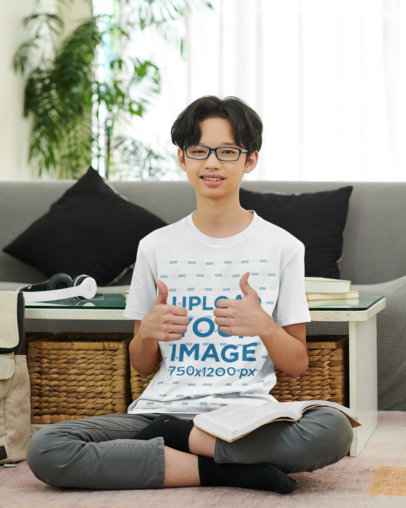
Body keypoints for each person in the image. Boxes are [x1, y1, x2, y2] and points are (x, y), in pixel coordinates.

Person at [27, 96, 353, 493]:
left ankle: (182, 447)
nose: (211, 163)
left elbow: (297, 362)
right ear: (182, 159)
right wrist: (146, 332)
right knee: (48, 447)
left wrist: (264, 326)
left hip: (245, 417)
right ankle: (225, 470)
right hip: (158, 414)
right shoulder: (155, 247)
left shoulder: (283, 247)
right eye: (198, 151)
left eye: (227, 152)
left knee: (332, 430)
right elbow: (142, 364)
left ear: (250, 160)